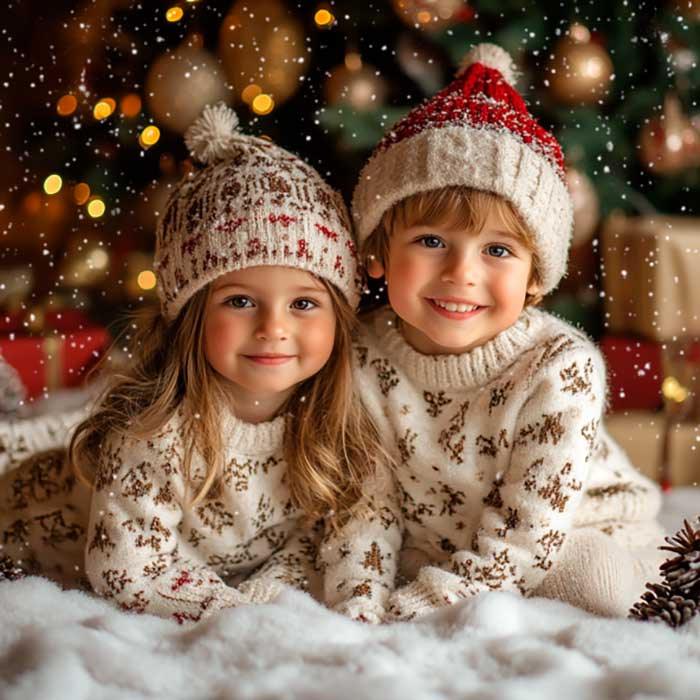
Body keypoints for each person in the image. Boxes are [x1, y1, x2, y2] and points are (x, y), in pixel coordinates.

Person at [320, 44, 664, 622]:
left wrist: (419, 609)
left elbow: (527, 540)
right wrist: (359, 603)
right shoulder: (359, 355)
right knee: (339, 565)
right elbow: (363, 506)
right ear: (378, 252)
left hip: (569, 527)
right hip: (440, 539)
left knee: (599, 585)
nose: (462, 274)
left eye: (498, 250)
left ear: (535, 278)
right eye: (431, 241)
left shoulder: (559, 367)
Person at [1, 104, 383, 625]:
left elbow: (308, 545)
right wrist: (232, 613)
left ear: (339, 317)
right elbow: (127, 568)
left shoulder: (330, 424)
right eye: (241, 301)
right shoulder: (154, 433)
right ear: (191, 314)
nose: (274, 327)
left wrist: (267, 597)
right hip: (24, 532)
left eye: (303, 303)